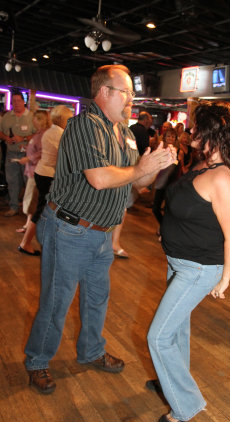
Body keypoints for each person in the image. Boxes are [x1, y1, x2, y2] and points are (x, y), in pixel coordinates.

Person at [24, 64, 176, 394]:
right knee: (56, 302)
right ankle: (37, 361)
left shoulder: (123, 132)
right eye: (125, 91)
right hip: (69, 229)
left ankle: (91, 351)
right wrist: (139, 168)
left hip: (102, 233)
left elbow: (138, 184)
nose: (131, 98)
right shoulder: (83, 125)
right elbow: (99, 178)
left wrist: (156, 166)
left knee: (97, 299)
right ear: (104, 92)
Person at [147, 100, 230, 422]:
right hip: (178, 262)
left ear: (212, 134)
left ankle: (186, 403)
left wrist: (226, 280)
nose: (189, 131)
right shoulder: (202, 166)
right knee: (175, 330)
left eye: (195, 127)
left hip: (199, 269)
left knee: (158, 338)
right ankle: (170, 378)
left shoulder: (224, 179)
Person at [18, 105, 73, 256]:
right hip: (49, 176)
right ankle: (26, 243)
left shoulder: (50, 131)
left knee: (44, 210)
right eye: (69, 118)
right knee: (43, 211)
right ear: (63, 119)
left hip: (42, 173)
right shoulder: (60, 134)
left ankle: (37, 243)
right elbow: (66, 158)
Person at [0, 91, 35, 216]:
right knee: (12, 181)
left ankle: (29, 211)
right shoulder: (7, 117)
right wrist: (5, 138)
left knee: (28, 183)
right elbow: (0, 132)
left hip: (27, 155)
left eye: (18, 100)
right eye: (13, 101)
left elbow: (38, 134)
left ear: (23, 101)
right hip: (11, 154)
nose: (16, 103)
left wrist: (23, 138)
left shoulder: (31, 116)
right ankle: (13, 207)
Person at [16, 110, 50, 233]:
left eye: (34, 119)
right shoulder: (40, 133)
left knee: (31, 198)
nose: (32, 121)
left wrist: (28, 158)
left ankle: (28, 225)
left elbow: (42, 152)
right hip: (32, 169)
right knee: (31, 197)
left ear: (40, 120)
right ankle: (28, 224)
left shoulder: (43, 135)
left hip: (36, 170)